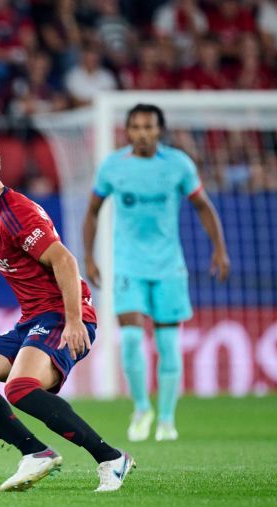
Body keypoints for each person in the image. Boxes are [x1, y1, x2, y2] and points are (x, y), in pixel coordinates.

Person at [0, 134, 134, 493]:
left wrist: (75, 320)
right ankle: (35, 452)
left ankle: (110, 457)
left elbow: (64, 259)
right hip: (32, 321)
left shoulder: (18, 212)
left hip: (61, 315)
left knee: (19, 388)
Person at [83, 104, 230, 443]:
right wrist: (89, 257)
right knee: (132, 339)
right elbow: (92, 212)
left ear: (159, 130)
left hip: (168, 266)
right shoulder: (113, 167)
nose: (142, 133)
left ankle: (166, 419)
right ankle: (140, 408)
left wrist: (219, 249)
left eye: (149, 127)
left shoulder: (178, 165)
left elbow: (203, 206)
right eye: (136, 127)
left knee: (167, 341)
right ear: (128, 131)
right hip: (128, 265)